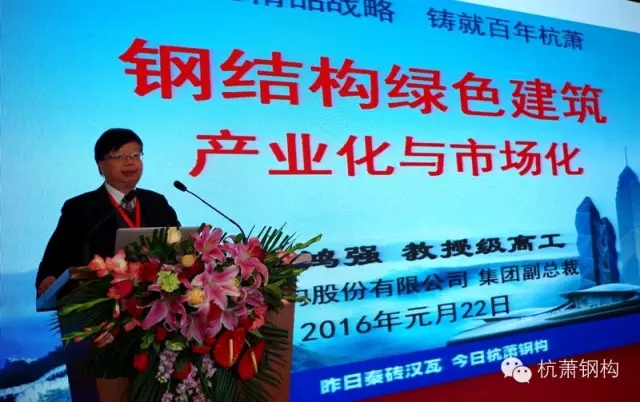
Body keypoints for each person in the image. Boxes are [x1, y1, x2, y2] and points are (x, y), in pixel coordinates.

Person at [35, 128, 181, 402]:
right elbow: (55, 257)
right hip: (100, 319)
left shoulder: (157, 203)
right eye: (120, 156)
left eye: (136, 155)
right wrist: (48, 278)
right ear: (101, 165)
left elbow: (180, 249)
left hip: (155, 317)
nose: (130, 162)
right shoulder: (80, 208)